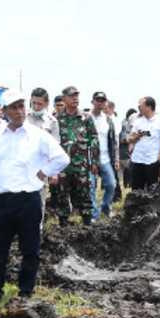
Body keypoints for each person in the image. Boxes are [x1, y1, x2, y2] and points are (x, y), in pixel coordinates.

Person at [0, 89, 69, 308]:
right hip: (3, 201)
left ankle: (25, 292)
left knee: (31, 249)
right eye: (13, 108)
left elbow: (62, 158)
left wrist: (44, 172)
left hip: (29, 200)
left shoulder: (38, 135)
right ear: (5, 111)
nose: (19, 111)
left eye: (21, 106)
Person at [53, 86, 98, 226]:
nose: (75, 98)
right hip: (62, 167)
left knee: (85, 196)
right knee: (62, 197)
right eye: (72, 96)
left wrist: (94, 161)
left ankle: (87, 225)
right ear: (64, 98)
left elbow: (94, 139)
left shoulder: (86, 118)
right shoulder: (57, 118)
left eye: (77, 96)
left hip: (82, 166)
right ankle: (64, 226)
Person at [127, 97, 160, 190]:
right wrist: (136, 136)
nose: (139, 108)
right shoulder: (137, 121)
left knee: (152, 189)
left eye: (140, 106)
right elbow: (129, 139)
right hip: (137, 159)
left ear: (149, 107)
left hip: (152, 160)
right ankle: (136, 205)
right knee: (136, 189)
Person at [88, 91, 119, 220]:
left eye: (102, 100)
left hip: (105, 158)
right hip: (89, 159)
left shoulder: (108, 120)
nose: (100, 102)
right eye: (98, 100)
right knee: (91, 187)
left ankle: (105, 207)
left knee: (112, 184)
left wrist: (116, 158)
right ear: (93, 101)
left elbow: (114, 141)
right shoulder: (86, 117)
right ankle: (94, 215)